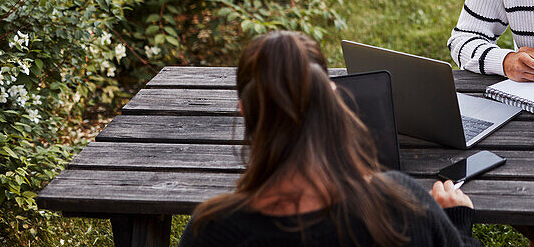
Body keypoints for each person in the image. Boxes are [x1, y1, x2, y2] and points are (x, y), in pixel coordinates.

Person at [178, 31, 480, 247]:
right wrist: (457, 223)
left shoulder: (212, 229)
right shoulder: (403, 205)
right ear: (332, 97)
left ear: (244, 110)